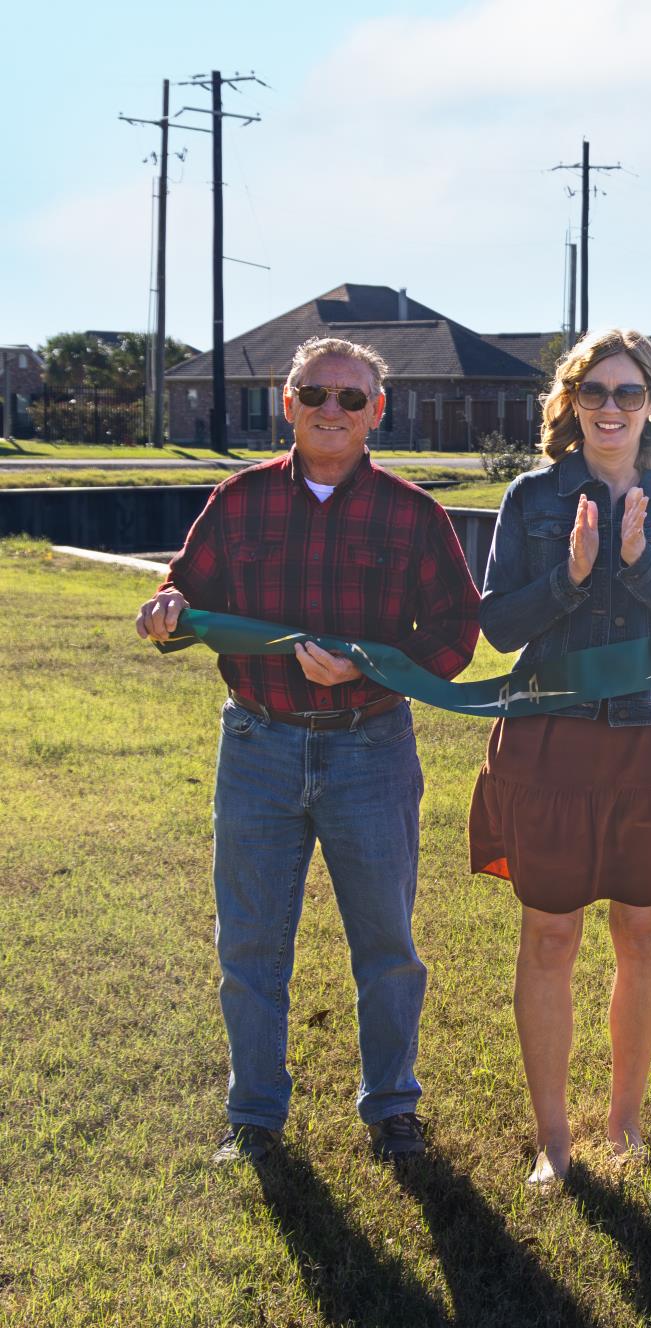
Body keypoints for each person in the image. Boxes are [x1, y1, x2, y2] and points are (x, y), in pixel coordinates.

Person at [134, 336, 480, 1166]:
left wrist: (376, 665)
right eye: (315, 393)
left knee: (386, 944)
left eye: (351, 398)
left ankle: (394, 1108)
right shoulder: (239, 499)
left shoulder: (414, 514)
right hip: (257, 744)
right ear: (286, 404)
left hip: (371, 748)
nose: (333, 409)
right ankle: (253, 1116)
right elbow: (184, 590)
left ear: (377, 414)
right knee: (250, 942)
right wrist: (166, 606)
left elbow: (456, 632)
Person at [471, 327, 651, 1188]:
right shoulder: (530, 499)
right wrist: (568, 574)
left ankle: (625, 1123)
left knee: (643, 927)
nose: (610, 408)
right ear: (569, 405)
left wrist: (636, 562)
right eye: (593, 392)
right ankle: (553, 1139)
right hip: (550, 741)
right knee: (551, 934)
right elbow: (498, 625)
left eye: (629, 393)